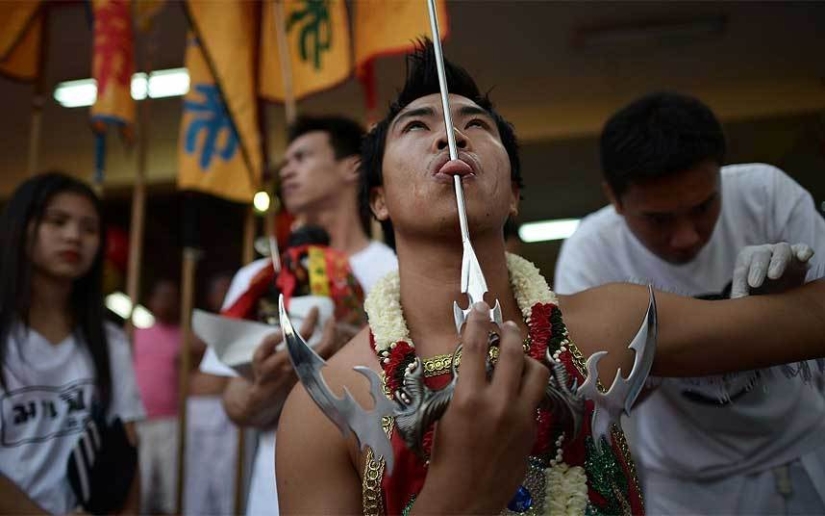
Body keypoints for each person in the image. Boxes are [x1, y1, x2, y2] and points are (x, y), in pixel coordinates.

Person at [274, 43, 825, 515]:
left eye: (476, 125)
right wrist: (459, 494)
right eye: (417, 126)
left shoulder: (611, 325)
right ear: (378, 200)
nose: (451, 137)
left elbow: (803, 321)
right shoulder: (325, 406)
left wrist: (775, 300)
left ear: (514, 194)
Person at [554, 91, 825, 513]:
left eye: (703, 207)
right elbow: (588, 409)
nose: (686, 237)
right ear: (615, 199)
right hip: (686, 485)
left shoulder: (765, 194)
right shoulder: (591, 251)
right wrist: (751, 324)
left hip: (801, 448)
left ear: (720, 176)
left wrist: (793, 299)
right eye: (658, 219)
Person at [199, 115, 398, 516]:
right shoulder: (258, 278)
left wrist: (351, 352)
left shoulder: (395, 271)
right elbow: (235, 406)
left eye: (302, 158)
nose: (286, 170)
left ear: (352, 167)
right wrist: (273, 381)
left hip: (379, 486)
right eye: (285, 162)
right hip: (274, 497)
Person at [0, 172, 144, 515]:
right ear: (21, 228)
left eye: (89, 228)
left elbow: (126, 452)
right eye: (57, 221)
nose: (74, 236)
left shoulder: (110, 342)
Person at [184, 272, 238, 516]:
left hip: (227, 408)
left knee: (227, 480)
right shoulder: (198, 327)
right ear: (210, 296)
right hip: (199, 408)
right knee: (196, 479)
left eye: (229, 289)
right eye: (220, 290)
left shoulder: (240, 324)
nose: (225, 295)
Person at [132, 279, 182, 515]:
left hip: (171, 420)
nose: (166, 302)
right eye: (161, 296)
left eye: (171, 297)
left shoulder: (185, 337)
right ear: (151, 301)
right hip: (140, 420)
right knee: (140, 487)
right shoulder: (135, 334)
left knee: (171, 488)